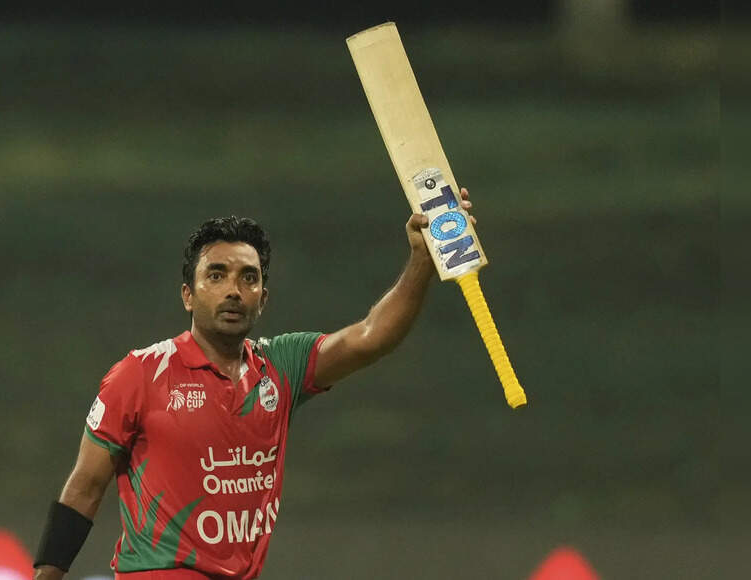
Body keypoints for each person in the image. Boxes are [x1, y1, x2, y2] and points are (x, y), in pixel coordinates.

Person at [33, 191, 476, 579]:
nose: (233, 290)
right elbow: (85, 487)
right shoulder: (141, 374)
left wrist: (422, 261)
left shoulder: (281, 366)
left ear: (263, 299)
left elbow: (370, 337)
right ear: (188, 294)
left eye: (248, 278)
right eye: (216, 275)